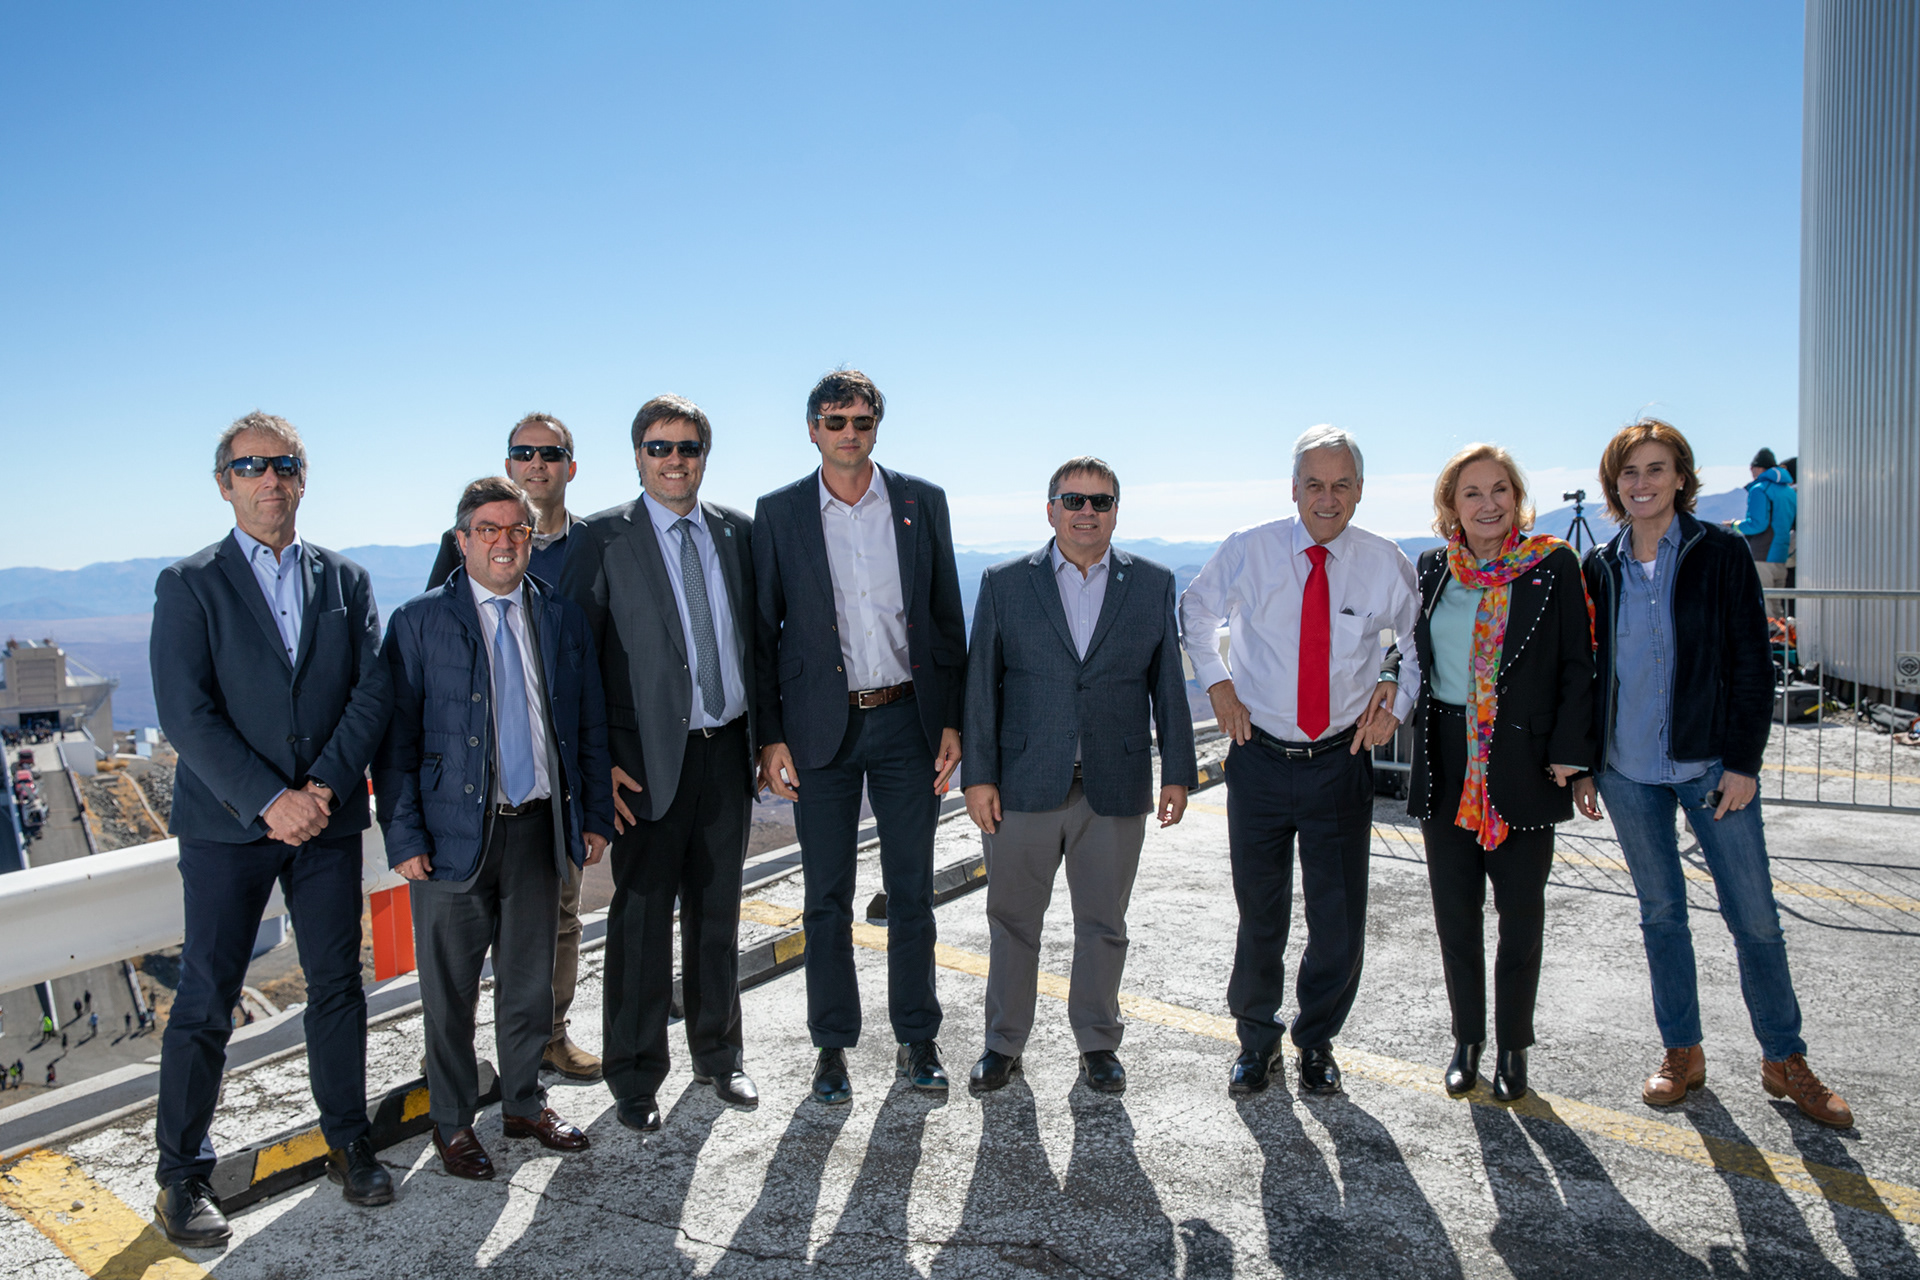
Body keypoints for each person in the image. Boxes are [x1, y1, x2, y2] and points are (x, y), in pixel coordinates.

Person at [149, 411, 396, 1246]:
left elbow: (370, 693)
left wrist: (320, 789)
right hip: (227, 828)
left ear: (301, 477)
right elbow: (186, 712)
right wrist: (268, 799)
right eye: (251, 466)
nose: (270, 479)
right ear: (225, 483)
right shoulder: (189, 584)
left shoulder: (347, 581)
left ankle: (348, 1141)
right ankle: (181, 1176)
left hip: (323, 822)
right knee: (206, 998)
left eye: (283, 464)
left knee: (336, 986)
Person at [1572, 418, 1853, 1128]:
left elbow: (1751, 663)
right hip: (1627, 772)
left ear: (1680, 478)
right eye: (1630, 472)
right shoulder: (1598, 567)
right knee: (1662, 917)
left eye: (1656, 469)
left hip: (1709, 770)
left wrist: (1744, 762)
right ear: (1615, 483)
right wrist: (1583, 767)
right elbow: (1587, 674)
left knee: (1756, 920)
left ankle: (1784, 1060)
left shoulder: (1719, 553)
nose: (1642, 483)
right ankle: (1682, 1053)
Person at [375, 476, 616, 1181]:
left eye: (518, 531)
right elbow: (395, 744)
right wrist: (405, 837)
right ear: (462, 541)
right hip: (453, 840)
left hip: (540, 830)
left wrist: (593, 814)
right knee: (448, 992)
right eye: (488, 530)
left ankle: (522, 1103)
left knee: (528, 985)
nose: (505, 542)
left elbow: (588, 724)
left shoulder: (561, 617)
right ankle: (452, 1124)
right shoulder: (418, 622)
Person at [1180, 425, 1419, 1097]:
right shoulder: (1248, 550)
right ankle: (1256, 1042)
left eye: (1341, 484)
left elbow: (1418, 642)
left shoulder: (1385, 561)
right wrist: (1219, 687)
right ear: (1294, 490)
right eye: (1314, 484)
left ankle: (1316, 1040)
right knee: (1261, 915)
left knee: (1338, 921)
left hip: (1339, 761)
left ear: (1360, 491)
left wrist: (1394, 700)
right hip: (1258, 758)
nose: (1327, 497)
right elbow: (1194, 611)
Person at [753, 369, 967, 1104]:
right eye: (835, 420)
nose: (850, 433)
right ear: (811, 429)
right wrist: (770, 736)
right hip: (822, 732)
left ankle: (918, 1040)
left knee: (911, 892)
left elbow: (945, 618)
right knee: (826, 898)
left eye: (862, 420)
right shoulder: (778, 514)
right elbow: (763, 634)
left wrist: (953, 720)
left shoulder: (919, 502)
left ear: (878, 426)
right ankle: (833, 1049)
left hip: (909, 722)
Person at [962, 457, 1198, 1094]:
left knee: (1104, 924)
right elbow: (980, 685)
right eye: (1074, 500)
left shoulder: (1150, 583)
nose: (1087, 511)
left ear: (1117, 511)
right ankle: (1002, 1044)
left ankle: (1098, 1043)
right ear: (1050, 509)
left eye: (1100, 501)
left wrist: (1178, 772)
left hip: (1114, 786)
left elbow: (1167, 687)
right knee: (1013, 921)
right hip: (1022, 786)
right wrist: (977, 778)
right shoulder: (1005, 583)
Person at [561, 395, 760, 1133]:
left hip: (727, 751)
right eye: (658, 447)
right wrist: (596, 764)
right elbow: (576, 661)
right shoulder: (602, 539)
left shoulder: (738, 533)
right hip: (641, 763)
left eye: (687, 447)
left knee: (717, 913)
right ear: (638, 456)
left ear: (704, 456)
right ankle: (636, 1075)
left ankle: (719, 1054)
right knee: (640, 920)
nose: (673, 460)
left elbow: (757, 643)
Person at [1408, 444, 1593, 1103]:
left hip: (1522, 764)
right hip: (1447, 762)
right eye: (1471, 493)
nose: (1487, 504)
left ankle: (1514, 1047)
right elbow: (1407, 656)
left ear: (1518, 497)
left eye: (1499, 490)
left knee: (1520, 918)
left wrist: (1576, 759)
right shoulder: (1433, 570)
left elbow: (1578, 665)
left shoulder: (1552, 565)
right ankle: (1467, 1042)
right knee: (1456, 919)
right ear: (1450, 506)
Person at [423, 412, 598, 1082]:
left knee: (559, 917)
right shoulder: (472, 537)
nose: (537, 463)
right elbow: (437, 645)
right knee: (467, 933)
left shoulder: (594, 543)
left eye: (550, 453)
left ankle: (548, 1037)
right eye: (523, 452)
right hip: (482, 774)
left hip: (558, 770)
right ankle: (457, 1061)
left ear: (570, 466)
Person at [1727, 447, 1797, 593]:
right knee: (1777, 605)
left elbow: (1758, 524)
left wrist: (1734, 525)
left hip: (1763, 554)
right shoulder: (1789, 492)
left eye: (1752, 467)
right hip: (1781, 554)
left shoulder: (1760, 489)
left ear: (1757, 468)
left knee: (1764, 603)